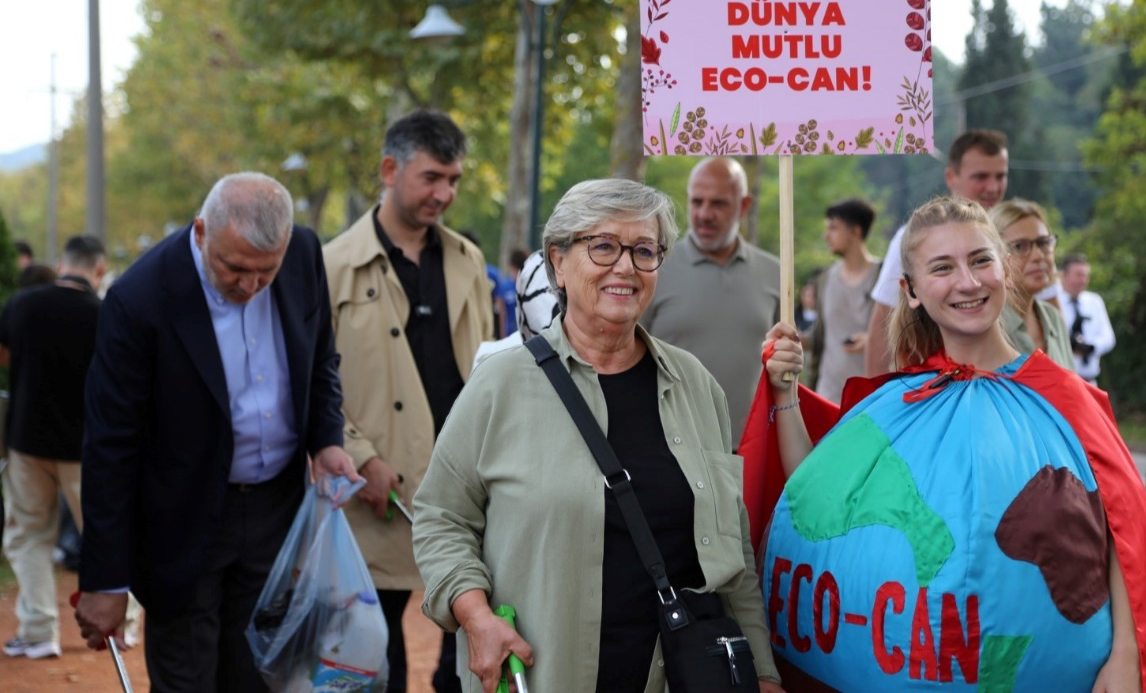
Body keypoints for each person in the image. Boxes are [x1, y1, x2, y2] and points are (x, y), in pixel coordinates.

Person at [752, 196, 1146, 692]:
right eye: (943, 267)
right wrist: (784, 394)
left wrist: (1126, 654)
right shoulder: (897, 403)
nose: (969, 282)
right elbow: (817, 498)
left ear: (1004, 269)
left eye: (981, 260)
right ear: (910, 291)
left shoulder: (1067, 401)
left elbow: (1125, 540)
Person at [413, 179, 783, 693]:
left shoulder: (697, 385)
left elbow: (732, 548)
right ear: (558, 262)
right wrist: (475, 616)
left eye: (644, 250)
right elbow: (441, 516)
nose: (626, 267)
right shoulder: (499, 385)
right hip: (543, 673)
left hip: (677, 675)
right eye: (604, 246)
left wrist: (761, 671)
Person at [74, 172, 360, 691]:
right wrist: (104, 580)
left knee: (258, 673)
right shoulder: (139, 299)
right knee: (186, 677)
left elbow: (320, 357)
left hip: (276, 513)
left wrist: (327, 439)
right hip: (181, 520)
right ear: (201, 232)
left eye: (264, 273)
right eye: (234, 268)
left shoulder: (302, 255)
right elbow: (111, 445)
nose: (249, 286)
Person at [323, 108, 492, 693]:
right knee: (375, 653)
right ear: (390, 169)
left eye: (454, 180)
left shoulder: (469, 262)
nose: (444, 193)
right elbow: (314, 383)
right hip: (377, 488)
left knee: (469, 644)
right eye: (432, 178)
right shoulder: (331, 267)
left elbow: (489, 366)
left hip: (465, 482)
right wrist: (358, 458)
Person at [1, 236, 107, 659]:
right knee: (105, 537)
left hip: (28, 440)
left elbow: (4, 354)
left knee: (29, 536)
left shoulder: (23, 303)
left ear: (62, 263)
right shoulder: (104, 313)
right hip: (88, 447)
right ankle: (124, 626)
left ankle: (39, 629)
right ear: (98, 271)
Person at [641, 157, 780, 449]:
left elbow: (783, 371)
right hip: (670, 448)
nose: (704, 213)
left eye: (718, 203)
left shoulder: (776, 274)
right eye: (697, 201)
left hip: (750, 450)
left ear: (744, 206)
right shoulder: (651, 269)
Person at [864, 130, 1009, 375]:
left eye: (982, 260)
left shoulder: (1021, 234)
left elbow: (1050, 317)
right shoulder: (913, 238)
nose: (992, 187)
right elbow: (882, 325)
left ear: (1007, 268)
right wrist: (873, 401)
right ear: (951, 176)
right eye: (981, 177)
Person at [805, 198, 881, 402]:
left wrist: (875, 340)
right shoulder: (824, 280)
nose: (826, 236)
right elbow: (821, 335)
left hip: (872, 397)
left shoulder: (885, 278)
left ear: (855, 232)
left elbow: (906, 334)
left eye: (833, 228)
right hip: (828, 395)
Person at [989, 199, 1073, 369]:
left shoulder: (1053, 318)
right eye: (1020, 246)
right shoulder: (987, 327)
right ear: (994, 255)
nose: (1038, 256)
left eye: (1043, 243)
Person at [1057, 254, 1116, 385]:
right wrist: (1069, 345)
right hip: (1063, 382)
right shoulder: (1054, 302)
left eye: (1086, 276)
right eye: (1078, 275)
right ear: (1064, 276)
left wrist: (1090, 347)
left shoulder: (1094, 301)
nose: (1083, 280)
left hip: (1089, 381)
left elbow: (1109, 338)